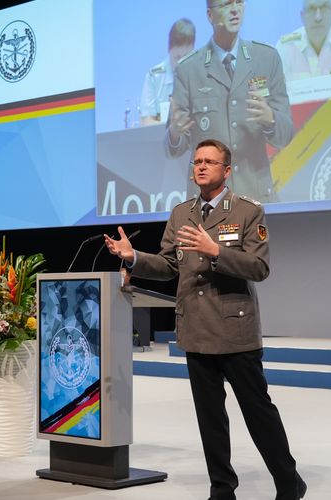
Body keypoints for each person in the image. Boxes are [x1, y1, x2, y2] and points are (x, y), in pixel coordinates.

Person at [104, 139, 306, 500]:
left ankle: (289, 482)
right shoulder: (182, 213)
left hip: (234, 330)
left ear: (226, 171)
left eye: (209, 162)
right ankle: (222, 489)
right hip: (196, 330)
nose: (200, 167)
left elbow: (259, 267)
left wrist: (217, 252)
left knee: (258, 412)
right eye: (197, 161)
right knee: (210, 419)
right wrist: (134, 256)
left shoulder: (247, 211)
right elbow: (168, 266)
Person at [166, 0, 293, 202]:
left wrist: (271, 120)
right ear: (210, 15)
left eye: (239, 2)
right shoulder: (188, 70)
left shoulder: (266, 58)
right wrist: (174, 134)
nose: (235, 9)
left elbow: (286, 135)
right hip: (209, 204)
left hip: (255, 198)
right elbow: (171, 148)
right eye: (226, 4)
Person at [140, 18, 196, 126]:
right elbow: (146, 122)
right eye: (177, 57)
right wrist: (174, 129)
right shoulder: (154, 76)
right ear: (169, 49)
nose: (181, 64)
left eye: (185, 58)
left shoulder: (203, 74)